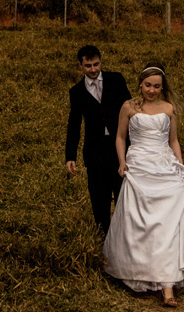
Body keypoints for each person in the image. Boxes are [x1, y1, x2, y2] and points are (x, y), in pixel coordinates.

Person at [103, 64, 184, 308]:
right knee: (140, 221)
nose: (152, 90)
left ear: (162, 87)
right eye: (148, 85)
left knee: (169, 221)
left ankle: (168, 287)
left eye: (157, 86)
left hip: (163, 164)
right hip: (138, 165)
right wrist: (122, 162)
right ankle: (139, 271)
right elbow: (120, 137)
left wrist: (180, 166)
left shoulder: (169, 109)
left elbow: (174, 141)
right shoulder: (128, 107)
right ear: (140, 84)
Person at [65, 45, 132, 235]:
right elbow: (74, 124)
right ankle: (103, 236)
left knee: (123, 195)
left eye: (96, 64)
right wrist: (70, 156)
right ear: (80, 66)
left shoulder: (116, 79)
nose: (93, 69)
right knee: (99, 198)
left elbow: (131, 111)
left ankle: (124, 236)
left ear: (101, 61)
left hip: (120, 149)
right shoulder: (76, 92)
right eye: (88, 66)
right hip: (95, 153)